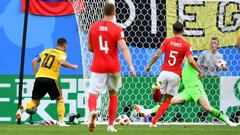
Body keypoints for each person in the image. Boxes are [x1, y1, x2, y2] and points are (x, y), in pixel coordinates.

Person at [135, 56, 237, 127]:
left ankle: (227, 121)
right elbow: (181, 86)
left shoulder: (191, 62)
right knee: (169, 102)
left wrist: (219, 66)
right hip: (188, 91)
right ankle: (147, 111)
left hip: (196, 88)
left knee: (208, 108)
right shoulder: (182, 72)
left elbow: (196, 62)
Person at [87, 3, 136, 132]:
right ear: (114, 13)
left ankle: (93, 111)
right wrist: (131, 67)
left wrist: (99, 50)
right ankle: (110, 126)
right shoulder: (117, 29)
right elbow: (124, 48)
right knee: (113, 95)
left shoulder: (93, 27)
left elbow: (90, 48)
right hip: (113, 67)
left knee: (93, 94)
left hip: (98, 66)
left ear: (102, 12)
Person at [144, 21, 202, 127]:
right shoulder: (186, 45)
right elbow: (191, 61)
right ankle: (153, 122)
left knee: (156, 98)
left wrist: (149, 66)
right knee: (167, 101)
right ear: (183, 31)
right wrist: (199, 70)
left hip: (164, 73)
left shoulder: (167, 41)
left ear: (173, 31)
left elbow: (157, 54)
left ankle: (157, 89)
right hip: (175, 75)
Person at [16, 38, 78, 126]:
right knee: (60, 98)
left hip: (39, 78)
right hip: (51, 79)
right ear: (65, 45)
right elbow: (61, 62)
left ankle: (21, 109)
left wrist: (36, 75)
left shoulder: (46, 51)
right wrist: (73, 66)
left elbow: (34, 61)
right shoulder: (62, 53)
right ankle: (61, 121)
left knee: (34, 102)